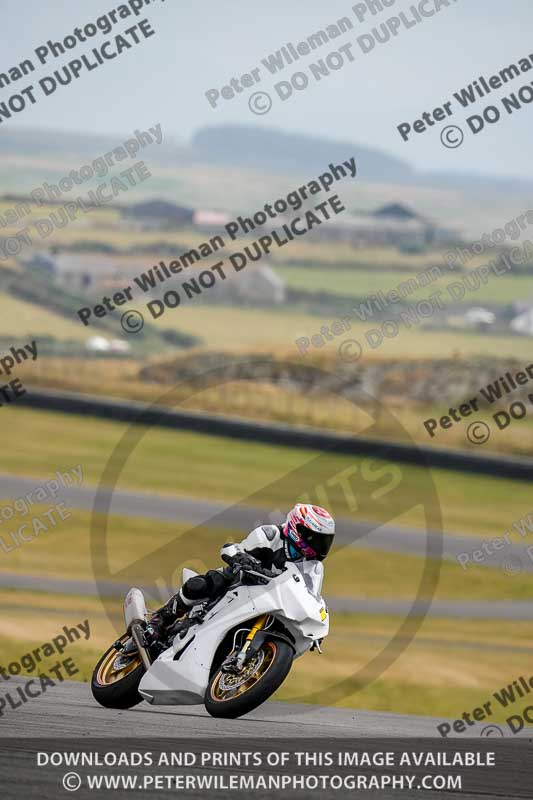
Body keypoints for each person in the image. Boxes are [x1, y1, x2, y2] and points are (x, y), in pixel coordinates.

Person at [146, 503, 335, 646]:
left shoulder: (315, 568)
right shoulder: (270, 535)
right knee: (204, 584)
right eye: (315, 539)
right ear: (297, 529)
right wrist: (241, 558)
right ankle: (161, 619)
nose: (320, 546)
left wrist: (312, 627)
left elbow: (310, 596)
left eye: (324, 541)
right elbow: (233, 549)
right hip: (241, 584)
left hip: (272, 603)